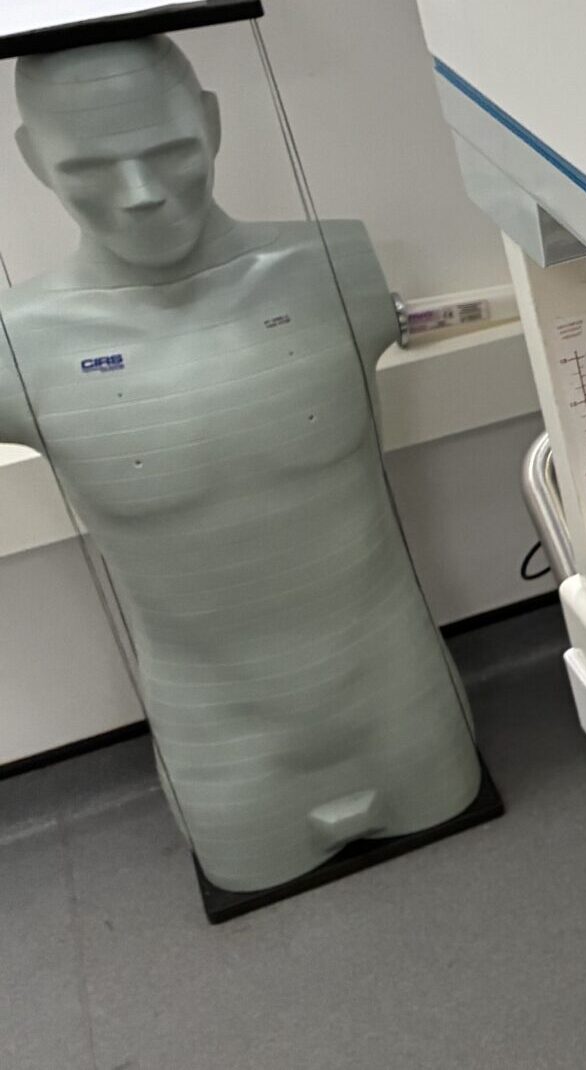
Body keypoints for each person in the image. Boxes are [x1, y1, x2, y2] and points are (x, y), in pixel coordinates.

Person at [0, 36, 481, 893]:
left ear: (212, 125)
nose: (142, 195)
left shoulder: (333, 264)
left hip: (401, 703)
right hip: (224, 749)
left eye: (171, 152)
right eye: (91, 169)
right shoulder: (16, 346)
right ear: (35, 161)